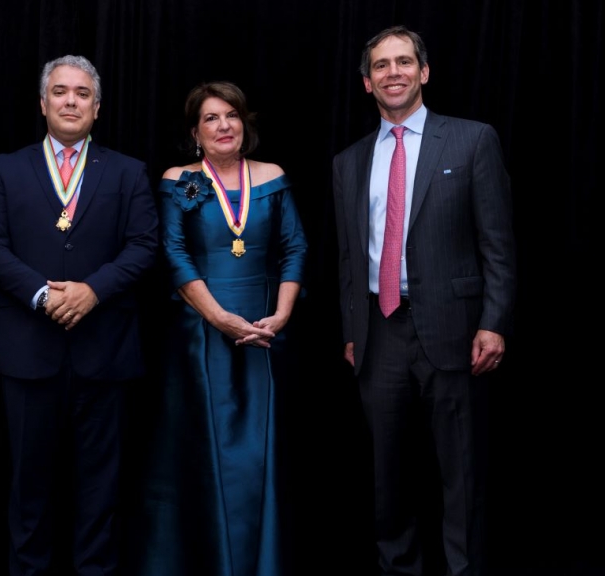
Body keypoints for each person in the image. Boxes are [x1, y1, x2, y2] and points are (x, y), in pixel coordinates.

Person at [332, 25, 516, 576]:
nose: (394, 72)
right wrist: (350, 329)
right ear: (367, 82)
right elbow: (347, 256)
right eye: (382, 65)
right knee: (389, 476)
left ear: (424, 71)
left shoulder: (472, 139)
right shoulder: (347, 162)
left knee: (460, 473)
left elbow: (498, 244)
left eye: (404, 61)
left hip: (455, 330)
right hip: (379, 330)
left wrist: (495, 321)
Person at [0, 55, 158, 576]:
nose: (70, 101)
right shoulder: (6, 168)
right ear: (42, 103)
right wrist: (43, 295)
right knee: (27, 490)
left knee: (100, 491)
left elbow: (144, 247)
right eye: (60, 92)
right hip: (27, 356)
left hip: (105, 354)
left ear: (97, 109)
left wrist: (92, 292)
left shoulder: (127, 172)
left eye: (82, 93)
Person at [134, 81, 307, 576]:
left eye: (230, 115)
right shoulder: (177, 179)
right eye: (211, 118)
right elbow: (172, 252)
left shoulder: (272, 176)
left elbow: (295, 248)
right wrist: (218, 318)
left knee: (258, 458)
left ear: (244, 124)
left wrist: (283, 314)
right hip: (200, 336)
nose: (223, 125)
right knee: (204, 457)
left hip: (265, 333)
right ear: (195, 131)